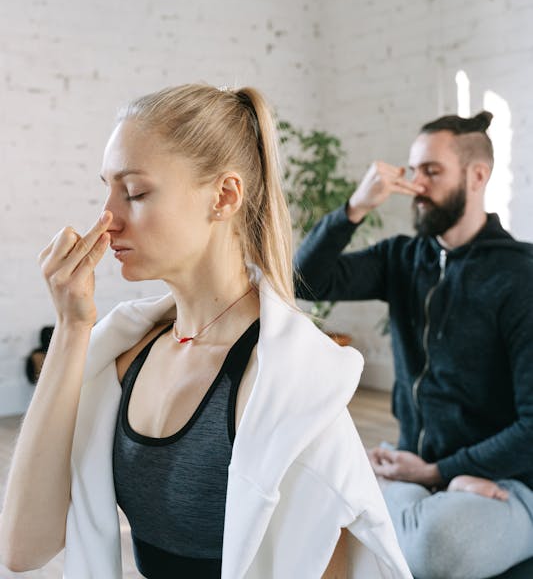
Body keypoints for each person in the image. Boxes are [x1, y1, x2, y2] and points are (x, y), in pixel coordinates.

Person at [0, 84, 411, 579]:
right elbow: (23, 549)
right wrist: (71, 327)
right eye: (106, 189)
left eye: (134, 192)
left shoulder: (284, 385)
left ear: (224, 196)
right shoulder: (126, 355)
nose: (106, 220)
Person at [294, 111, 533, 579]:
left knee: (434, 547)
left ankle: (403, 502)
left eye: (432, 171)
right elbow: (307, 278)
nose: (416, 184)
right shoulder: (402, 258)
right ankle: (407, 497)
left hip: (506, 481)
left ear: (477, 175)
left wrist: (436, 473)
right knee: (309, 496)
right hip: (417, 466)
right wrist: (354, 209)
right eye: (413, 169)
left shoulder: (520, 276)